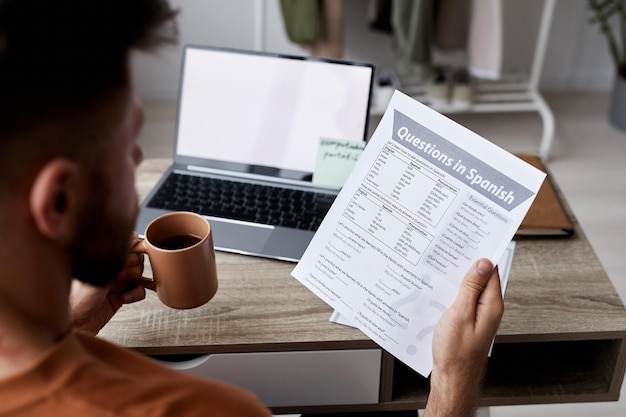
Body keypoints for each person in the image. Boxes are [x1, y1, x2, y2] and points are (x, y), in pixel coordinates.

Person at [0, 1, 503, 416]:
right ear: (60, 201)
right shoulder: (204, 409)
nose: (138, 159)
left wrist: (73, 327)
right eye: (128, 144)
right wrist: (453, 387)